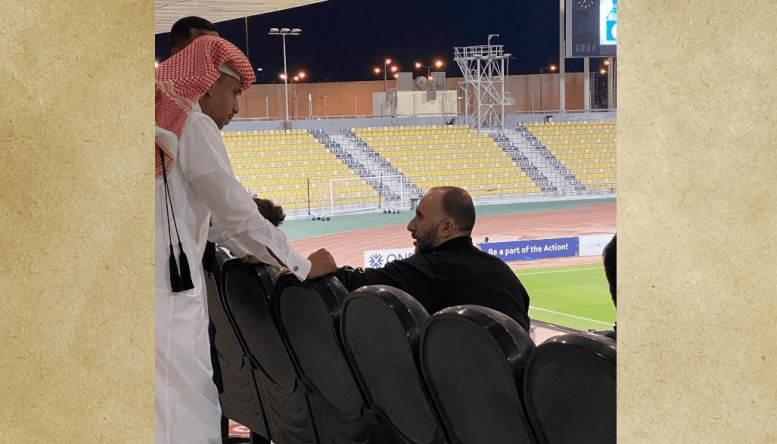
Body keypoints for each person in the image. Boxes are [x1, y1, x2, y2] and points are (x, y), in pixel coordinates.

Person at [155, 35, 336, 444]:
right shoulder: (193, 123)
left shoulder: (166, 122)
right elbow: (236, 212)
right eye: (235, 92)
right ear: (208, 84)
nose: (237, 107)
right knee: (184, 399)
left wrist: (251, 252)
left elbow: (204, 218)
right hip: (165, 296)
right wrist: (301, 265)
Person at [334, 186, 531, 331]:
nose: (410, 225)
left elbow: (351, 282)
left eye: (419, 217)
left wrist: (323, 264)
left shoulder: (428, 269)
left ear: (446, 228)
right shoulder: (503, 272)